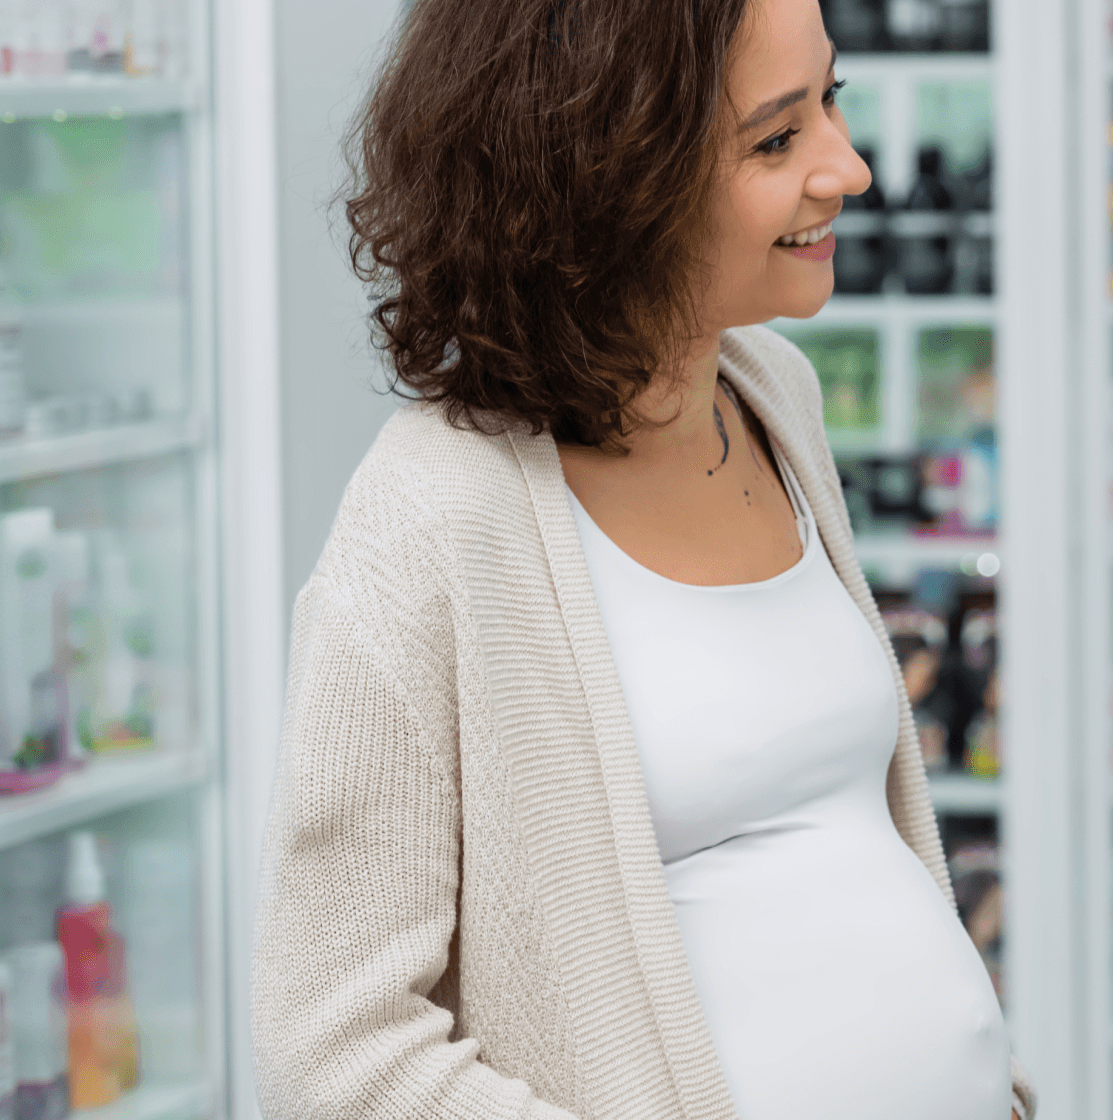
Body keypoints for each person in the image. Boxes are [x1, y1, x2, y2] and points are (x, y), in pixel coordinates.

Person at [251, 0, 1031, 1117]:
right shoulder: (433, 517)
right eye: (776, 138)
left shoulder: (772, 396)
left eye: (832, 101)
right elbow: (334, 1052)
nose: (847, 169)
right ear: (610, 177)